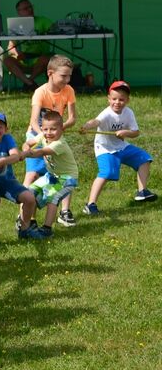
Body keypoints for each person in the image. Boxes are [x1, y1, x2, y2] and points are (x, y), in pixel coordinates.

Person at [81, 80, 157, 213]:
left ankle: (142, 192)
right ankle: (90, 204)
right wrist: (87, 126)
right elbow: (96, 121)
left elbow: (136, 132)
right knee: (107, 173)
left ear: (127, 100)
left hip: (122, 147)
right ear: (108, 99)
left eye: (121, 99)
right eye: (114, 99)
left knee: (144, 159)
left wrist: (126, 132)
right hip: (105, 149)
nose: (117, 102)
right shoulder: (106, 113)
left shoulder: (128, 113)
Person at [0, 111, 47, 241]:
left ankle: (24, 230)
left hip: (7, 180)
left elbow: (16, 156)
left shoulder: (8, 139)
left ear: (6, 129)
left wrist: (3, 161)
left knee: (30, 198)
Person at [25, 54, 77, 226]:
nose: (67, 79)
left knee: (62, 172)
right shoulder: (40, 92)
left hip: (54, 135)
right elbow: (33, 121)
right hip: (37, 134)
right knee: (33, 175)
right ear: (50, 73)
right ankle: (27, 217)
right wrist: (43, 136)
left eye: (69, 75)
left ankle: (64, 211)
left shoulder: (68, 90)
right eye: (63, 75)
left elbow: (71, 119)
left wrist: (57, 131)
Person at [21, 110, 79, 236]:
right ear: (42, 128)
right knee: (30, 192)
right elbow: (29, 143)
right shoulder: (43, 136)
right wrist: (26, 146)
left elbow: (41, 152)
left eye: (53, 129)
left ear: (61, 129)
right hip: (51, 176)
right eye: (46, 129)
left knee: (53, 198)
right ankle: (28, 223)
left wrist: (27, 154)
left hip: (67, 178)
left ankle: (47, 229)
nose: (48, 133)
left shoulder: (60, 144)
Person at [6, 0, 52, 85]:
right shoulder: (15, 24)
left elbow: (55, 30)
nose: (30, 9)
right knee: (7, 60)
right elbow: (10, 47)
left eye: (30, 7)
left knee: (46, 59)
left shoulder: (43, 20)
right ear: (19, 12)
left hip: (40, 59)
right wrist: (17, 53)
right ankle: (29, 83)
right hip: (24, 59)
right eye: (26, 8)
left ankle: (28, 82)